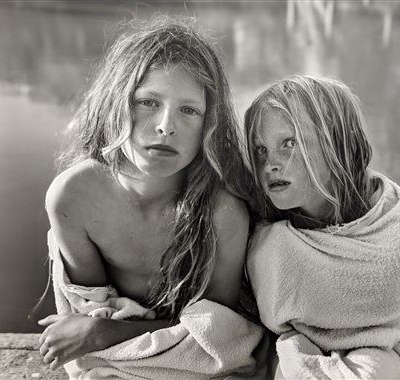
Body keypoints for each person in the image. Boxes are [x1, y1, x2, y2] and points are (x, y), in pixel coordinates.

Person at [38, 17, 252, 372]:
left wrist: (107, 332)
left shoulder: (222, 212)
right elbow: (90, 312)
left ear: (209, 126)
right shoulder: (74, 197)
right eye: (148, 102)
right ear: (115, 102)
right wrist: (100, 327)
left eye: (189, 110)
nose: (166, 125)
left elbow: (220, 333)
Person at [243, 75, 400, 379]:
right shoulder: (266, 228)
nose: (270, 163)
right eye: (261, 150)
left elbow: (389, 289)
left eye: (290, 143)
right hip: (293, 341)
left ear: (336, 141)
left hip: (377, 344)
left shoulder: (387, 225)